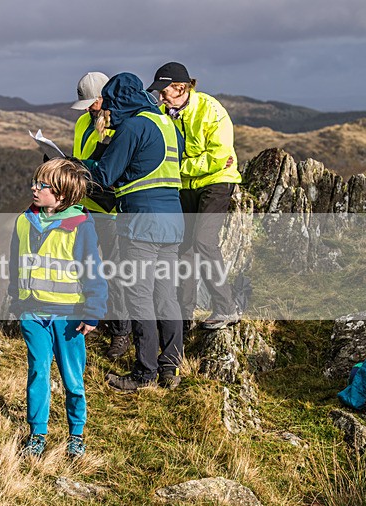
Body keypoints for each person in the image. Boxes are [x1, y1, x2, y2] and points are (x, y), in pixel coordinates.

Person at [84, 72, 185, 392]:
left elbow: (105, 176)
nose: (109, 112)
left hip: (142, 222)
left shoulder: (133, 126)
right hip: (173, 221)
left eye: (111, 105)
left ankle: (145, 372)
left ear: (121, 101)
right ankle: (170, 367)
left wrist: (76, 166)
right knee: (166, 297)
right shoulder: (167, 125)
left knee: (139, 297)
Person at [7, 158, 108, 459]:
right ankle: (37, 434)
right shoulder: (24, 221)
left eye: (42, 185)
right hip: (32, 314)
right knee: (38, 372)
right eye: (35, 182)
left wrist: (93, 311)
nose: (34, 188)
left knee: (72, 378)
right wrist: (15, 301)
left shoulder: (81, 226)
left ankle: (76, 434)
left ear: (62, 194)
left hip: (69, 318)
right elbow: (15, 264)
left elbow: (93, 271)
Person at [147, 62, 242, 331]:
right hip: (186, 186)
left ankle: (226, 308)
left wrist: (178, 167)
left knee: (203, 241)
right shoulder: (163, 114)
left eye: (164, 92)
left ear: (181, 88)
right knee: (183, 248)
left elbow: (219, 158)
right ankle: (183, 314)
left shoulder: (212, 110)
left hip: (217, 182)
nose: (161, 98)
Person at [70, 72, 131, 361]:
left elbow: (111, 168)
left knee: (114, 270)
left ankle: (121, 331)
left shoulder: (118, 125)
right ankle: (94, 318)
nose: (89, 110)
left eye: (91, 104)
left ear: (103, 98)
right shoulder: (83, 122)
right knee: (86, 266)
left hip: (110, 210)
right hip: (85, 205)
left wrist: (80, 165)